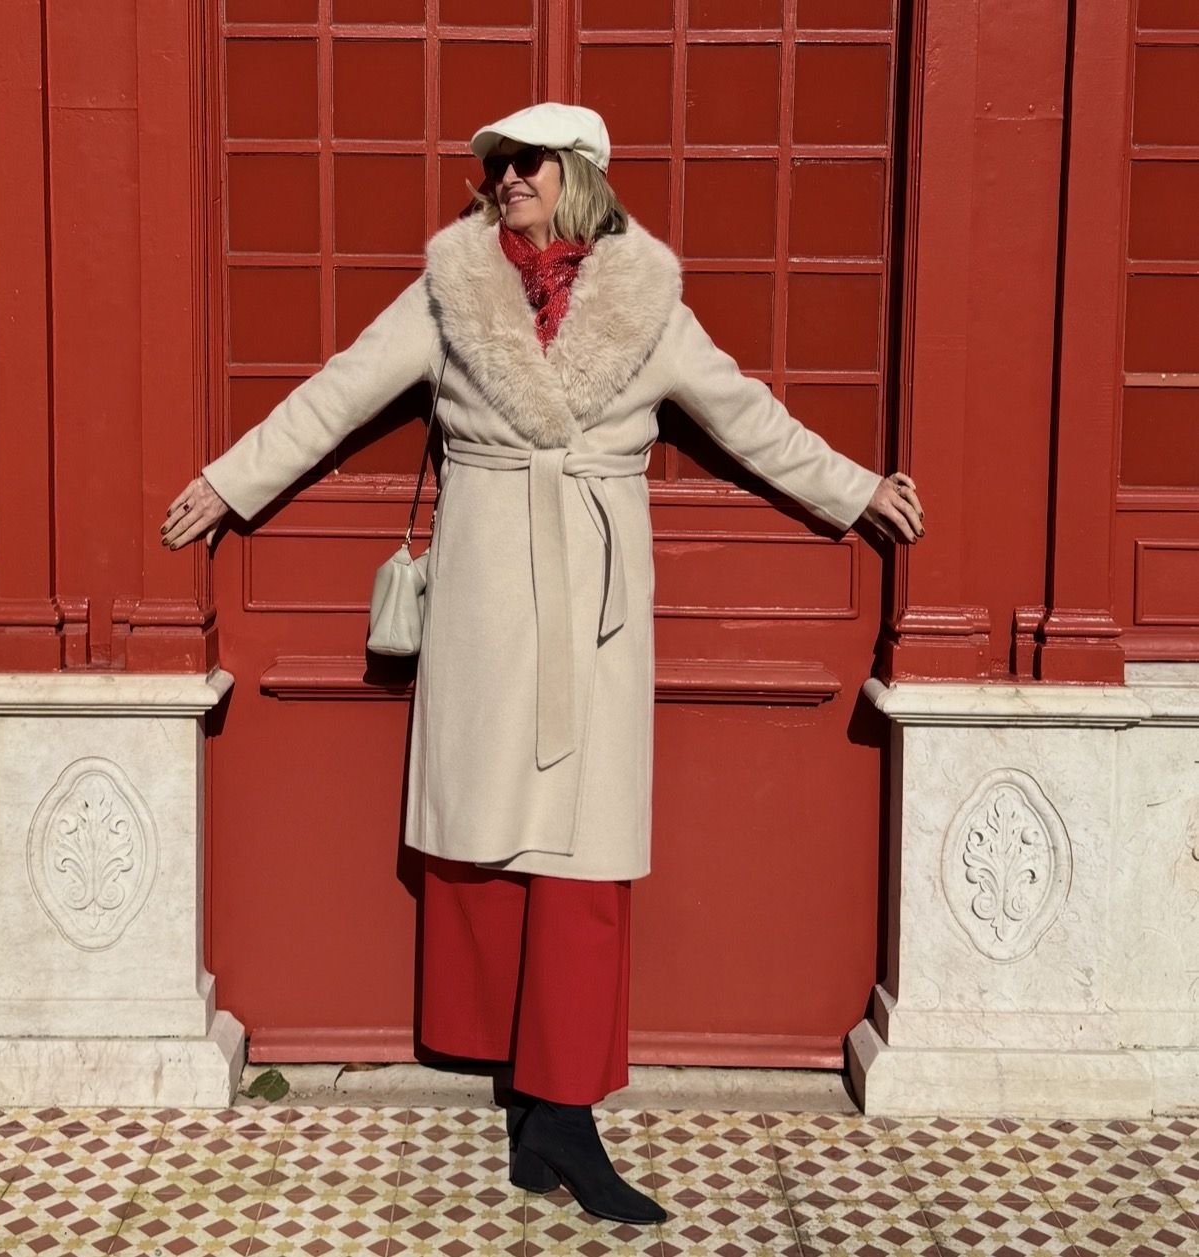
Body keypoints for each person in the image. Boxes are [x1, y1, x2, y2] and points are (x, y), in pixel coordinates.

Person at [160, 102, 926, 1225]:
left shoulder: (648, 299)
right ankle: (524, 1101)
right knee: (486, 841)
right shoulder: (451, 289)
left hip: (597, 602)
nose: (507, 178)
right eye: (497, 165)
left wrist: (855, 491)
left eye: (529, 162)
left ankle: (564, 1112)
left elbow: (745, 415)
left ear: (580, 173)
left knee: (586, 858)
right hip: (485, 590)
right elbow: (340, 390)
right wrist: (230, 482)